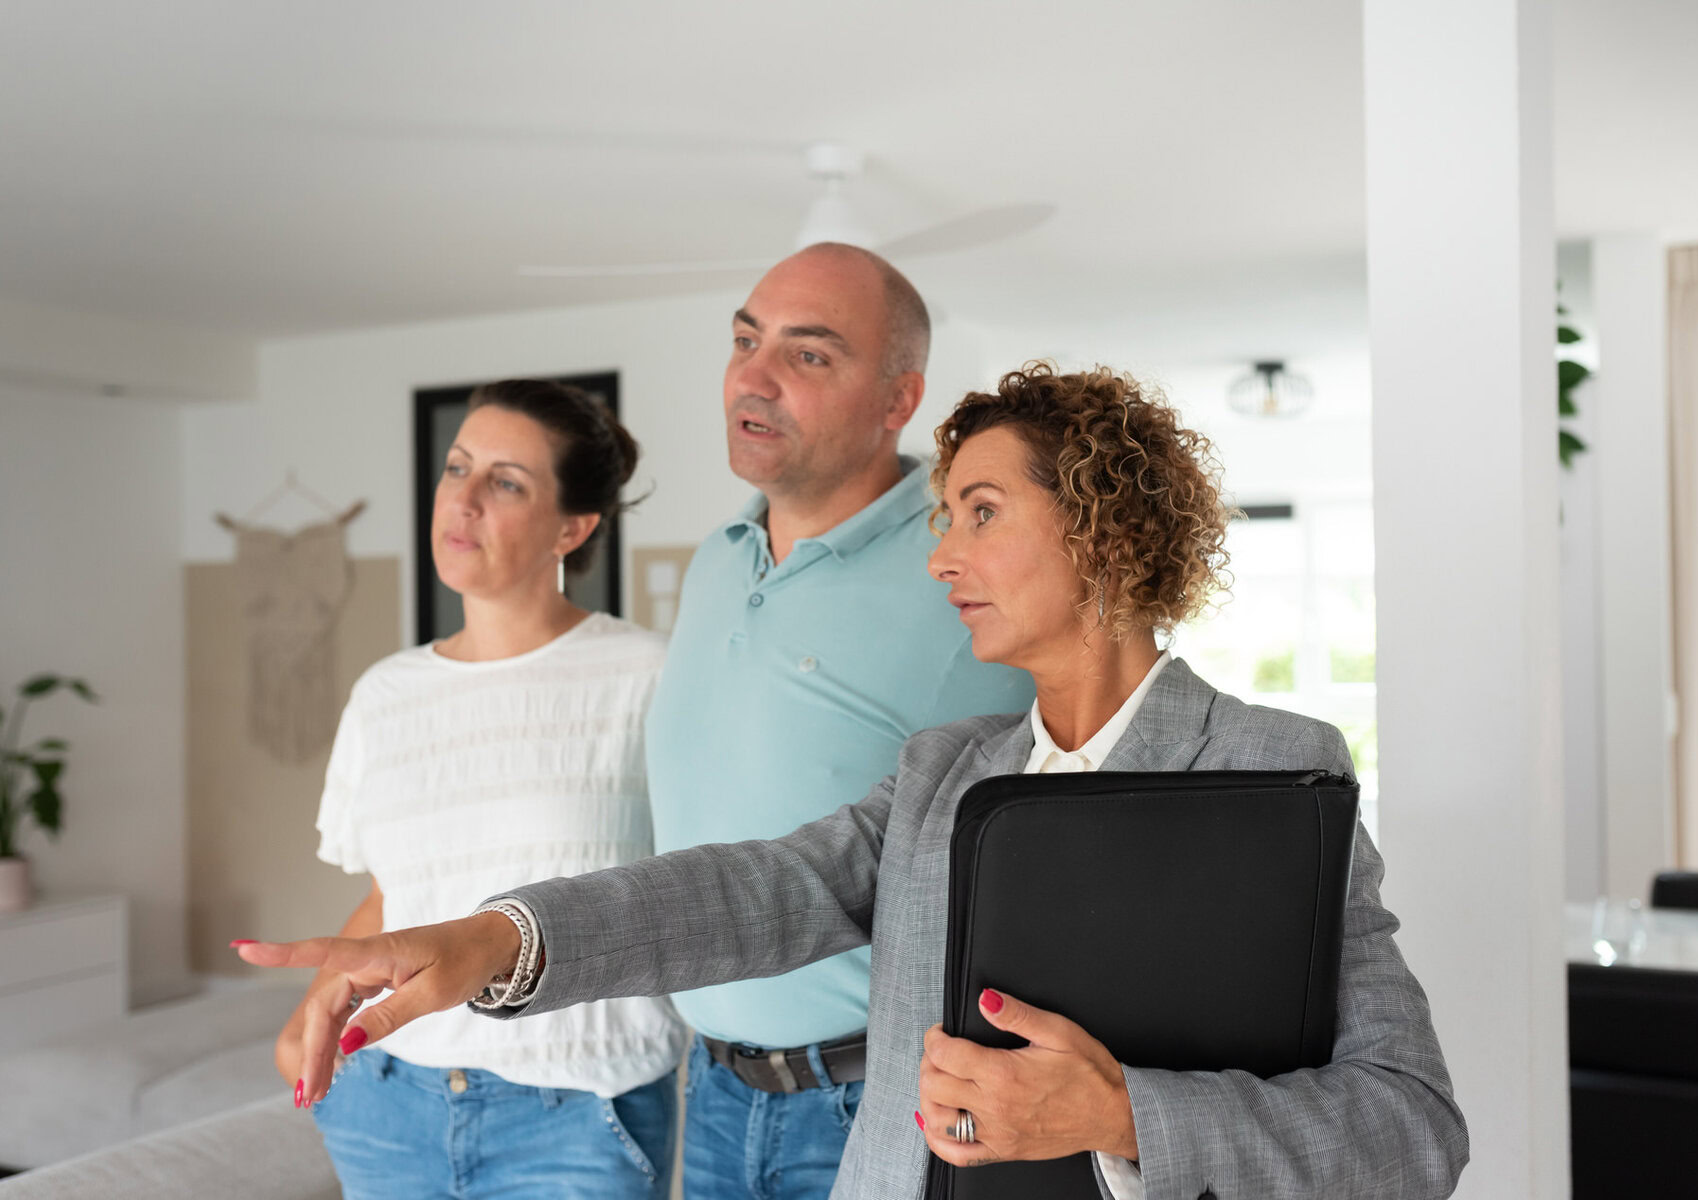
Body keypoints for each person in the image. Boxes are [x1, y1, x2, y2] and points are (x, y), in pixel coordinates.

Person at [245, 364, 1470, 1200]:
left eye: (980, 511)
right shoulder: (944, 776)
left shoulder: (1274, 769)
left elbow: (1409, 1128)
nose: (941, 553)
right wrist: (492, 942)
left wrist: (1120, 1117)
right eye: (941, 514)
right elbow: (750, 894)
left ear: (1101, 530)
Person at [642, 242, 1032, 1197]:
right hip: (714, 1091)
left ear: (900, 399)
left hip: (875, 1100)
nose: (755, 376)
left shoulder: (966, 564)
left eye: (808, 355)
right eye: (746, 340)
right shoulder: (716, 561)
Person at [268, 379, 688, 1199]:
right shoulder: (385, 694)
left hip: (580, 1111)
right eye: (456, 467)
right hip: (389, 1107)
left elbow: (691, 888)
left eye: (505, 481)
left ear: (573, 527)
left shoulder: (650, 675)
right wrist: (303, 1022)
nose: (461, 500)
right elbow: (397, 893)